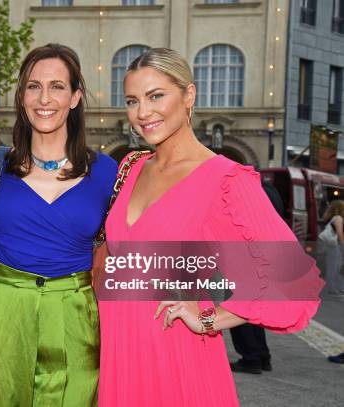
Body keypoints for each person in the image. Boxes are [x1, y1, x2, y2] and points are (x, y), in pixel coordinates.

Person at [96, 48, 324, 406]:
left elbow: (291, 281)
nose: (142, 113)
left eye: (156, 96)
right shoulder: (132, 166)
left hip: (177, 351)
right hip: (120, 350)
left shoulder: (226, 179)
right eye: (132, 100)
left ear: (189, 96)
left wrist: (210, 318)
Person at [0, 43, 117, 406]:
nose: (44, 98)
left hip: (75, 313)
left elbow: (136, 242)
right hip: (1, 308)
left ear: (76, 96)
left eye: (57, 86)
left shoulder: (108, 173)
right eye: (33, 86)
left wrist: (201, 300)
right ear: (21, 97)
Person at [229, 181, 284, 375]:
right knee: (254, 306)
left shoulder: (244, 190)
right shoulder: (270, 189)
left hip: (246, 252)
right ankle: (262, 355)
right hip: (267, 252)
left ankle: (250, 357)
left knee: (237, 305)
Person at [320, 200, 344, 295]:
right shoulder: (338, 218)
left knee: (333, 266)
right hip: (335, 246)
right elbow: (340, 233)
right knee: (335, 267)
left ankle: (334, 287)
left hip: (332, 246)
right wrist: (343, 245)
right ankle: (333, 287)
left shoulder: (334, 218)